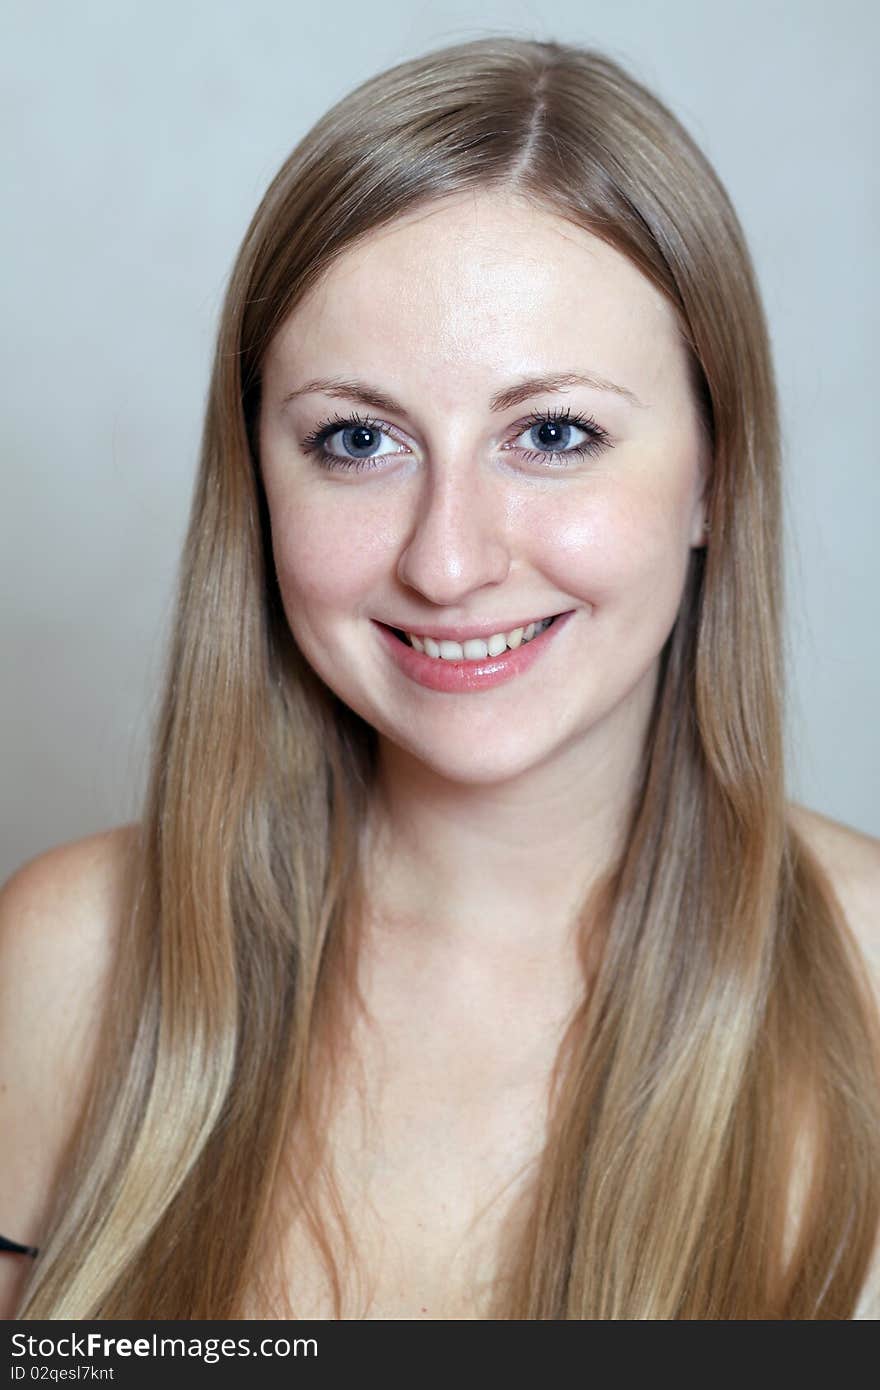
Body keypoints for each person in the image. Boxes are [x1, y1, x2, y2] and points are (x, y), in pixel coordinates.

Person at [2, 34, 879, 1322]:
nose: (449, 560)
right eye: (358, 440)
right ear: (258, 478)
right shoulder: (64, 961)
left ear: (717, 474)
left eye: (553, 434)